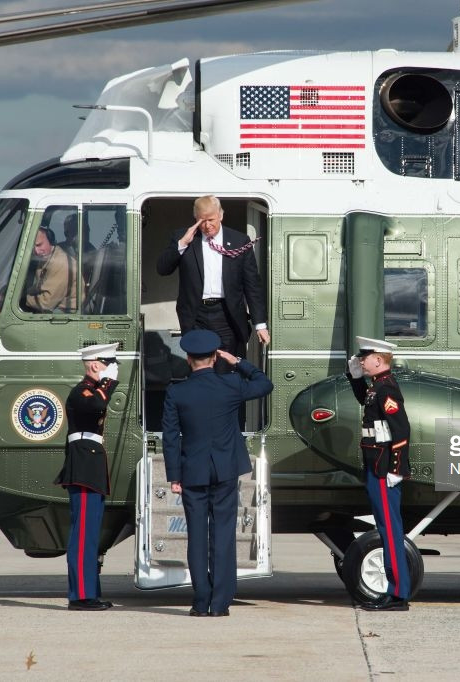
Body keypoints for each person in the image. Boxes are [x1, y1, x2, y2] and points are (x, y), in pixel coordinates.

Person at [162, 329, 274, 617]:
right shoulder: (231, 384)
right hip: (225, 470)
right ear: (215, 357)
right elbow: (264, 384)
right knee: (223, 535)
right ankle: (220, 603)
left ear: (188, 359)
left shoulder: (177, 392)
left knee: (197, 537)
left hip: (192, 472)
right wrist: (238, 361)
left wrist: (174, 476)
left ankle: (200, 601)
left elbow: (171, 437)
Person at [156, 195, 270, 362]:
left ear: (221, 215)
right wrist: (181, 244)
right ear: (195, 219)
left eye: (211, 219)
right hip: (196, 315)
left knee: (226, 366)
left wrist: (260, 324)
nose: (207, 225)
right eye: (202, 221)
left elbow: (252, 285)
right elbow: (162, 269)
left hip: (226, 314)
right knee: (200, 367)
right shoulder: (184, 238)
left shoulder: (239, 241)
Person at [54, 342, 120, 611]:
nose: (112, 369)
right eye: (108, 364)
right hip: (83, 467)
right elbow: (94, 405)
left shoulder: (92, 389)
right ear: (95, 365)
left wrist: (105, 384)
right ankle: (80, 596)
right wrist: (108, 383)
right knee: (82, 535)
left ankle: (89, 592)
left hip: (90, 467)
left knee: (90, 534)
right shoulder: (81, 392)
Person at [347, 336, 412, 611]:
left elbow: (401, 431)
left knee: (390, 531)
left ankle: (397, 593)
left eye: (365, 358)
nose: (361, 361)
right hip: (376, 466)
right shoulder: (377, 387)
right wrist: (354, 378)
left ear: (378, 360)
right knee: (386, 529)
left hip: (384, 469)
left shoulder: (387, 390)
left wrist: (397, 468)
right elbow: (365, 398)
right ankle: (395, 589)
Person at [22, 227, 78, 313]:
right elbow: (40, 286)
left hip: (64, 314)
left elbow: (46, 303)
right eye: (32, 247)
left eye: (39, 245)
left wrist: (20, 300)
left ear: (51, 241)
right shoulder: (46, 258)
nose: (37, 251)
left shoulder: (61, 263)